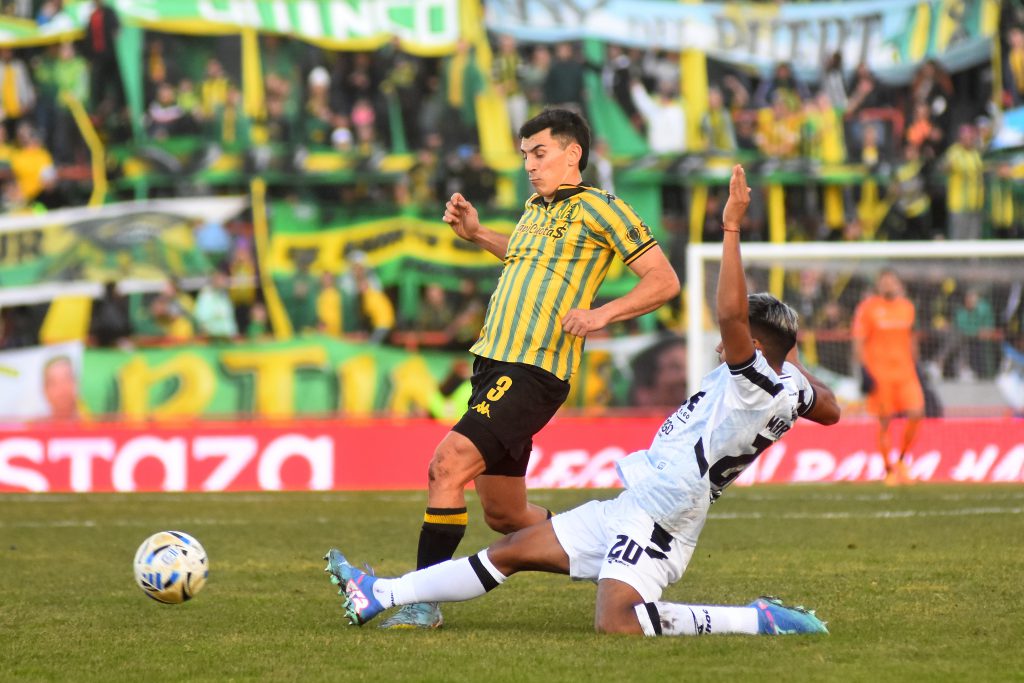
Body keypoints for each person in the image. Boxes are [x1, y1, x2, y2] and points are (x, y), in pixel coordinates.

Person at [325, 165, 841, 636]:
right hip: (639, 500)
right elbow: (831, 408)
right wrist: (791, 359)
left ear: (754, 347)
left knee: (617, 623)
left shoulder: (751, 382)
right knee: (510, 548)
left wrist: (730, 227)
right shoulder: (787, 386)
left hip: (664, 515)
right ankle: (380, 594)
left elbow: (729, 316)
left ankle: (755, 619)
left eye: (737, 338)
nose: (721, 341)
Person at [379, 108, 680, 629]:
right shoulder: (535, 209)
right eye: (525, 156)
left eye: (539, 153)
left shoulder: (602, 208)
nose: (530, 165)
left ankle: (420, 601)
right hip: (492, 363)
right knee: (505, 515)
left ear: (572, 153)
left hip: (533, 368)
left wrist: (601, 314)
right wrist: (478, 234)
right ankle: (612, 546)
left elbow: (664, 279)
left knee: (446, 466)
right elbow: (525, 257)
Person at [852, 270, 924, 485]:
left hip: (906, 372)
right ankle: (889, 470)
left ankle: (902, 459)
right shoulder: (868, 308)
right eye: (884, 282)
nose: (888, 285)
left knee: (917, 412)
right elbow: (858, 340)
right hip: (880, 374)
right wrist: (863, 370)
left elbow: (911, 338)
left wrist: (918, 365)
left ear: (899, 284)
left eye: (892, 282)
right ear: (878, 285)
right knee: (885, 421)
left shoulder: (907, 307)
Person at [42, 355, 79, 421]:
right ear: (45, 390)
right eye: (54, 383)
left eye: (67, 380)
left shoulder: (91, 423)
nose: (62, 389)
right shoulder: (35, 425)